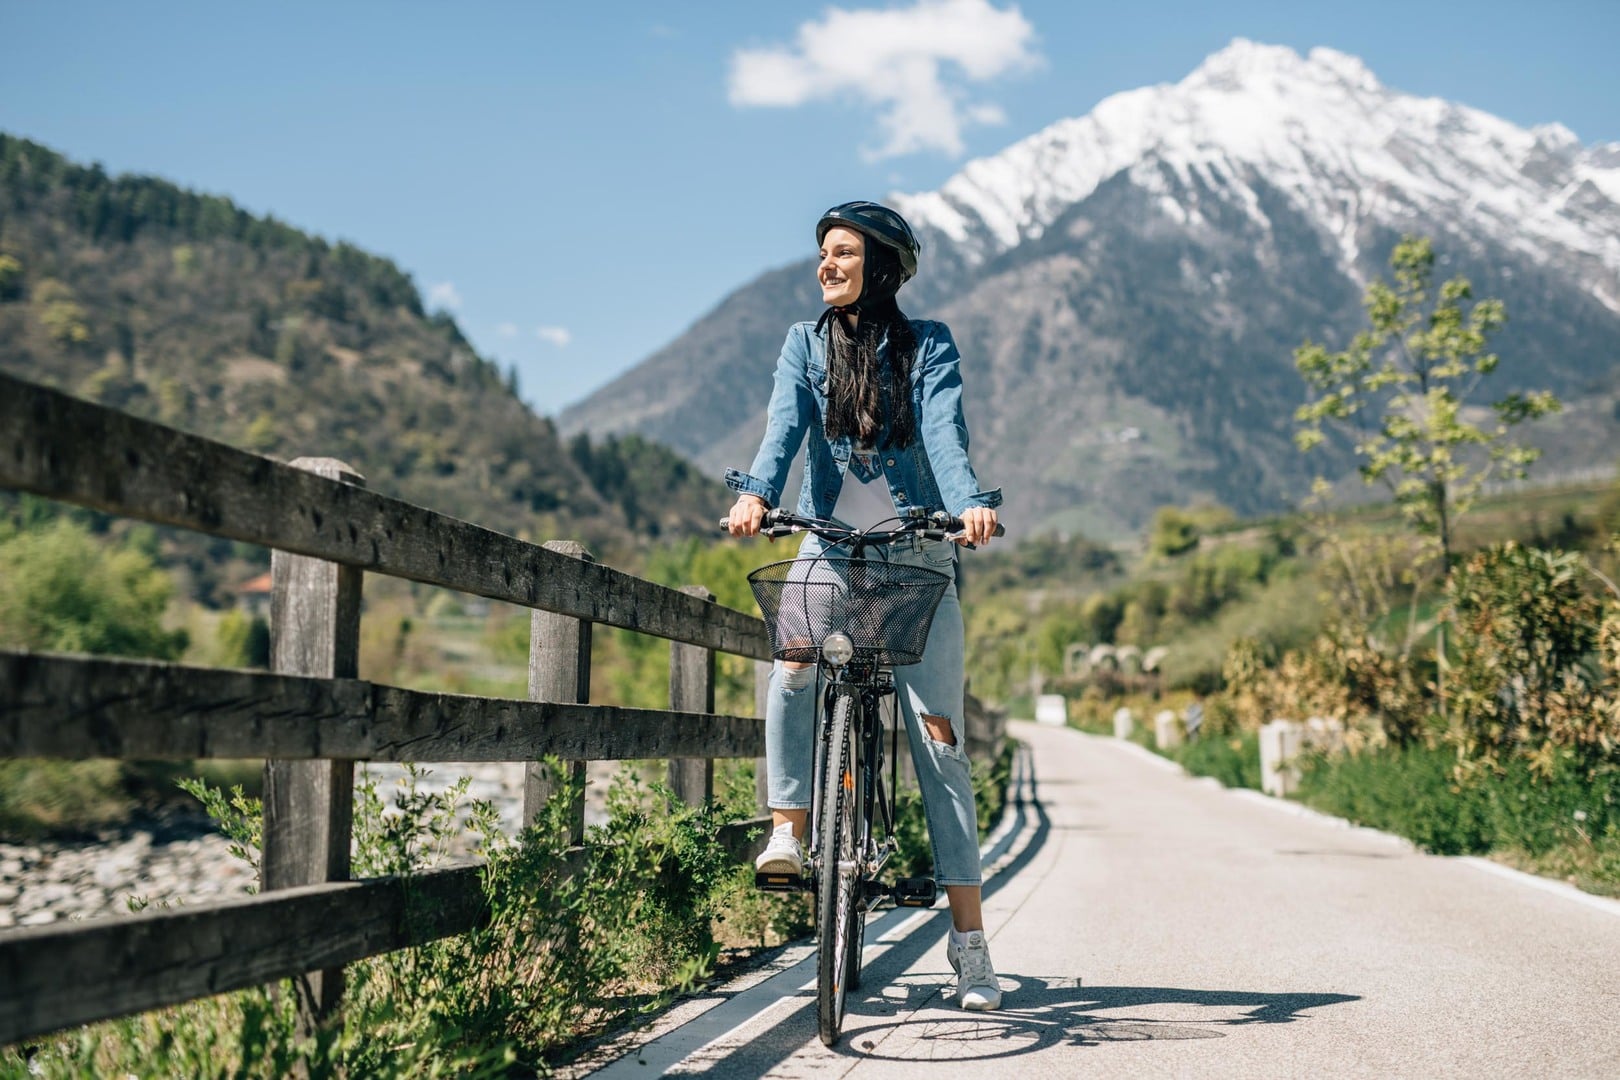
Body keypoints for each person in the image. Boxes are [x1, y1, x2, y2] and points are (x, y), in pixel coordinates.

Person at [724, 200, 1004, 1011]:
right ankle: (790, 827)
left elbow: (945, 436)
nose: (826, 265)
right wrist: (754, 496)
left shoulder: (930, 346)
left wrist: (970, 506)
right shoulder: (803, 346)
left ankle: (971, 947)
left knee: (939, 743)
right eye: (822, 253)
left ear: (879, 265)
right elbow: (782, 432)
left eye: (843, 253)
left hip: (918, 557)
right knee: (793, 658)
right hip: (829, 548)